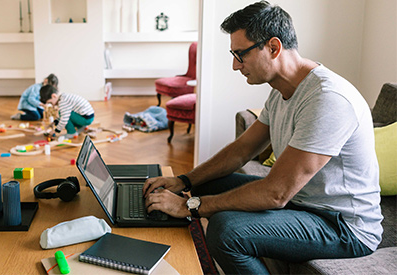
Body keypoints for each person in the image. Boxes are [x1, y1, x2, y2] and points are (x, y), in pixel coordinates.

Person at [143, 1, 383, 274]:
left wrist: (189, 206)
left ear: (273, 47)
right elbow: (242, 149)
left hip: (342, 226)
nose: (235, 65)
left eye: (240, 54)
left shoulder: (328, 99)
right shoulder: (281, 90)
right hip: (303, 203)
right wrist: (183, 181)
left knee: (226, 230)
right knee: (208, 182)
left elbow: (276, 193)